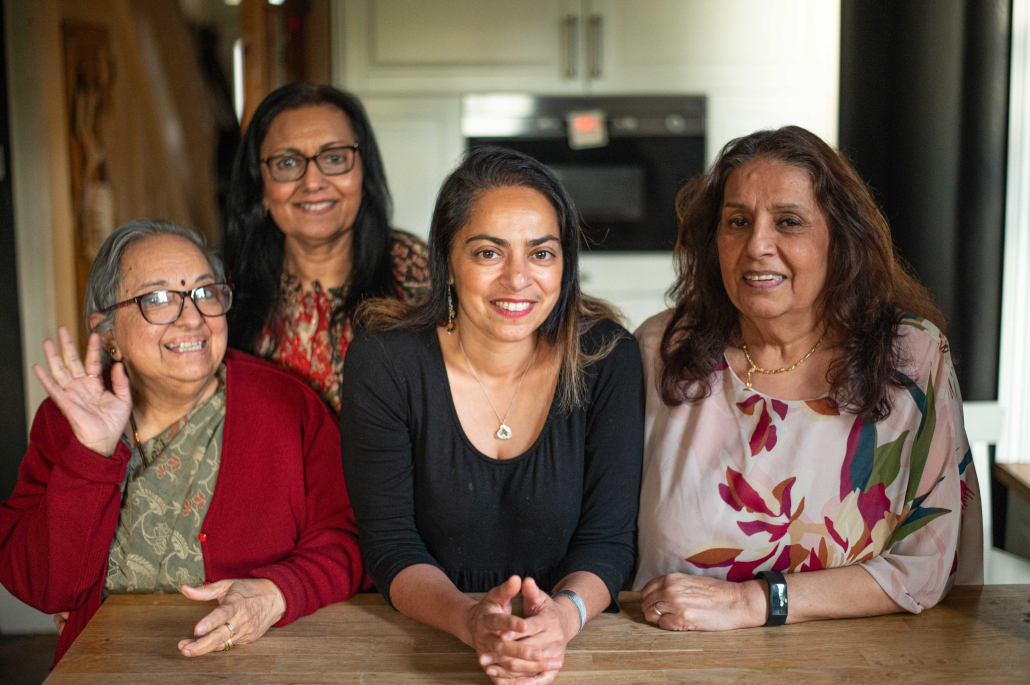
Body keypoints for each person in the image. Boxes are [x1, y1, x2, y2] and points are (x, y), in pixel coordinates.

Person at [633, 126, 983, 631]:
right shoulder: (661, 352)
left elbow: (929, 565)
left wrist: (754, 602)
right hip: (674, 660)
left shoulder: (909, 362)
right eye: (737, 221)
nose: (757, 245)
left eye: (789, 222)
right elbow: (603, 542)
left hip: (864, 665)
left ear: (839, 238)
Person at [340, 147, 643, 685]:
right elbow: (390, 542)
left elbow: (609, 540)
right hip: (425, 640)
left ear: (564, 264)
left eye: (542, 254)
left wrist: (562, 620)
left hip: (574, 648)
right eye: (488, 253)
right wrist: (468, 618)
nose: (518, 279)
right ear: (448, 263)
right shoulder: (384, 361)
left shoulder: (607, 357)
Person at [0, 220, 367, 664]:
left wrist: (276, 593)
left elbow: (351, 538)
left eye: (205, 292)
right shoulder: (68, 421)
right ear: (108, 331)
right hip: (108, 665)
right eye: (157, 299)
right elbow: (43, 586)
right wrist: (91, 454)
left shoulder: (289, 407)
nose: (193, 318)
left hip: (263, 665)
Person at [223, 82, 430, 415]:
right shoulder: (224, 293)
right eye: (287, 163)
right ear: (260, 186)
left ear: (364, 172)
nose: (313, 182)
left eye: (334, 158)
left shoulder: (419, 271)